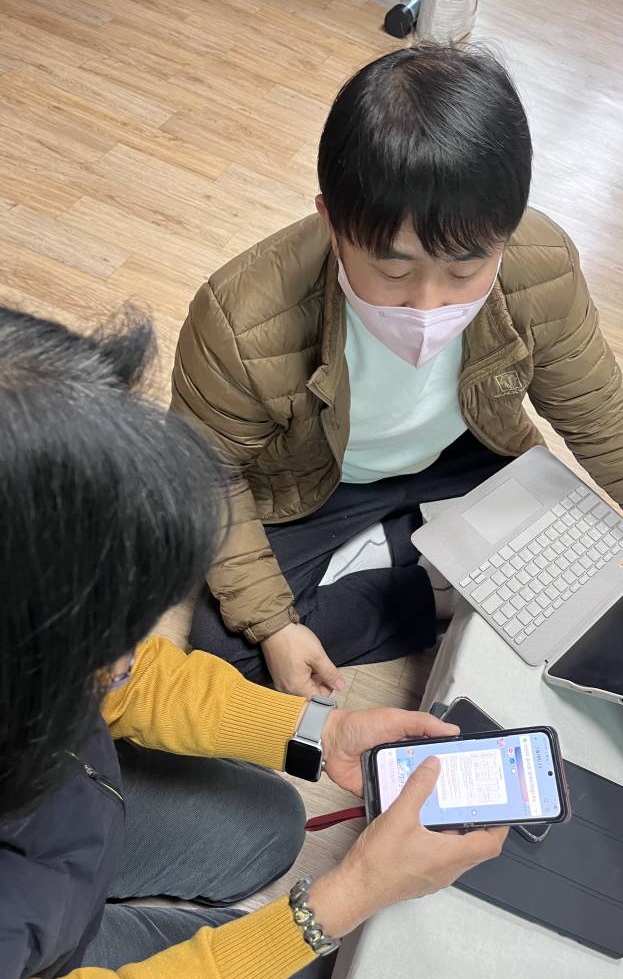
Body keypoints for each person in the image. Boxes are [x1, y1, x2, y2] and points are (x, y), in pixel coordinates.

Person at [175, 43, 623, 698]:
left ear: (505, 233)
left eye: (465, 270)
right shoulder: (239, 316)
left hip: (466, 452)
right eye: (392, 270)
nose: (429, 305)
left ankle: (418, 547)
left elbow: (598, 412)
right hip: (311, 481)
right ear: (330, 220)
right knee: (231, 653)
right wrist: (277, 625)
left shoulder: (539, 264)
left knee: (595, 583)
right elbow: (204, 475)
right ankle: (431, 581)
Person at [0, 306, 506, 979]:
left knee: (268, 824)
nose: (127, 661)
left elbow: (132, 681)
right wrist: (339, 902)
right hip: (38, 931)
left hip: (58, 821)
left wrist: (318, 732)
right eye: (104, 646)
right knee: (311, 963)